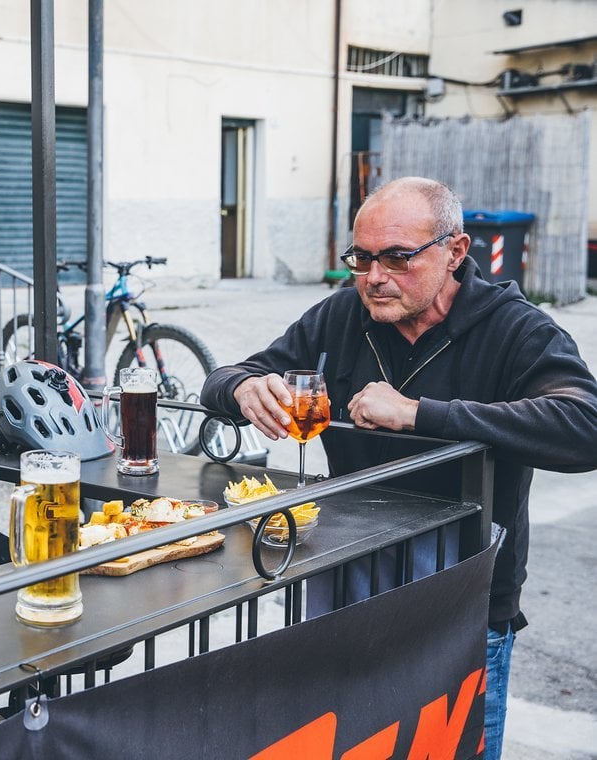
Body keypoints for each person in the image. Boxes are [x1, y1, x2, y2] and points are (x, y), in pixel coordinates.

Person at [200, 176, 597, 759]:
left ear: (456, 252)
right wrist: (244, 388)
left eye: (396, 257)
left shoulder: (515, 328)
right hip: (347, 590)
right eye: (361, 257)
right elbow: (225, 375)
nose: (375, 276)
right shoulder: (344, 313)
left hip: (460, 602)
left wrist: (421, 414)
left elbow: (583, 425)